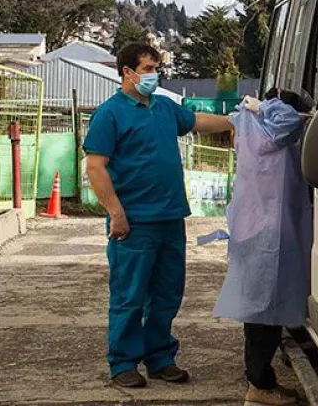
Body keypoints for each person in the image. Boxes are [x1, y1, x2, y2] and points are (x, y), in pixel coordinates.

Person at [83, 43, 236, 389]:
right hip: (134, 222)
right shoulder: (110, 114)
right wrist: (116, 213)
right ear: (127, 72)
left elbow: (197, 121)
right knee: (130, 294)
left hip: (170, 218)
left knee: (167, 292)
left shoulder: (163, 107)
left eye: (156, 68)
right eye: (148, 68)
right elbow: (95, 167)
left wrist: (235, 120)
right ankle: (123, 362)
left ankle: (160, 357)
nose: (154, 74)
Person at [212, 87, 315, 406]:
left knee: (261, 309)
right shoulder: (274, 127)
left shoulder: (250, 131)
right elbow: (286, 120)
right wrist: (263, 106)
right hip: (269, 233)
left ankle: (260, 380)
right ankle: (259, 386)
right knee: (264, 314)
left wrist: (257, 109)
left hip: (252, 228)